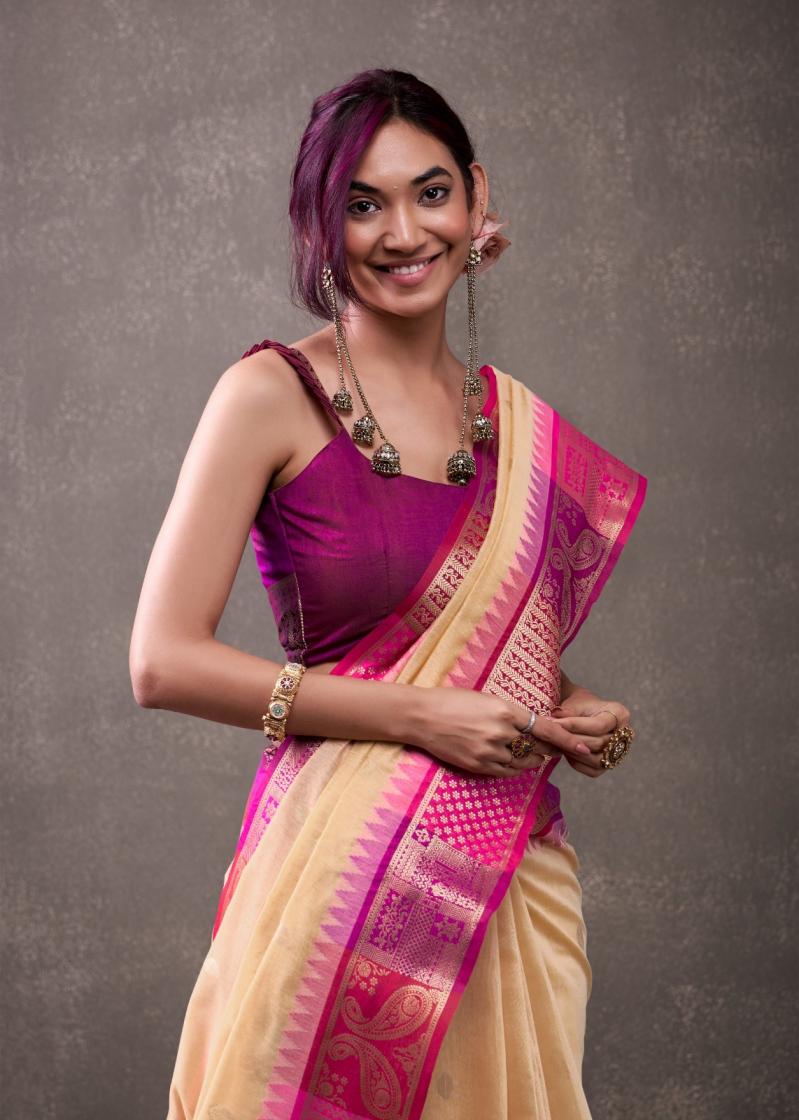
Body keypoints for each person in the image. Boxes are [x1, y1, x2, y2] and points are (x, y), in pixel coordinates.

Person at [130, 68, 647, 1120]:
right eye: (362, 204)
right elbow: (162, 661)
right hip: (337, 889)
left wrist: (572, 706)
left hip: (503, 883)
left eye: (431, 192)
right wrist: (416, 716)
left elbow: (489, 645)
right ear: (319, 222)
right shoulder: (269, 395)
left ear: (476, 197)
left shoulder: (516, 424)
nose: (403, 232)